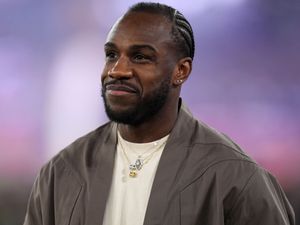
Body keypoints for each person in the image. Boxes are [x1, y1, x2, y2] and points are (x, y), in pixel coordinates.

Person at [24, 2, 295, 225]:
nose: (118, 70)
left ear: (181, 71)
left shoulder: (235, 177)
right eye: (111, 55)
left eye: (141, 57)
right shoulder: (60, 173)